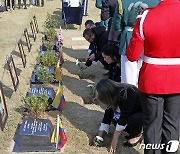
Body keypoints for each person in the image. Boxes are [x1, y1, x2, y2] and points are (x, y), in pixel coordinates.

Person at [126, 0, 180, 154]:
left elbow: (132, 55)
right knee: (173, 127)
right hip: (178, 80)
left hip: (152, 80)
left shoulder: (146, 16)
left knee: (152, 127)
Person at [111, 0, 158, 86]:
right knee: (145, 75)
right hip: (149, 39)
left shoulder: (123, 2)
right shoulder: (156, 2)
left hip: (129, 39)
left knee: (128, 78)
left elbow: (117, 26)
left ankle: (130, 97)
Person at [93, 79, 143, 153]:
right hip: (129, 114)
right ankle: (128, 130)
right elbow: (108, 113)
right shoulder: (112, 94)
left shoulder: (128, 93)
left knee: (133, 120)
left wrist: (114, 139)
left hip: (142, 114)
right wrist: (99, 136)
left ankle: (138, 135)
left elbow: (124, 117)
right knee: (115, 118)